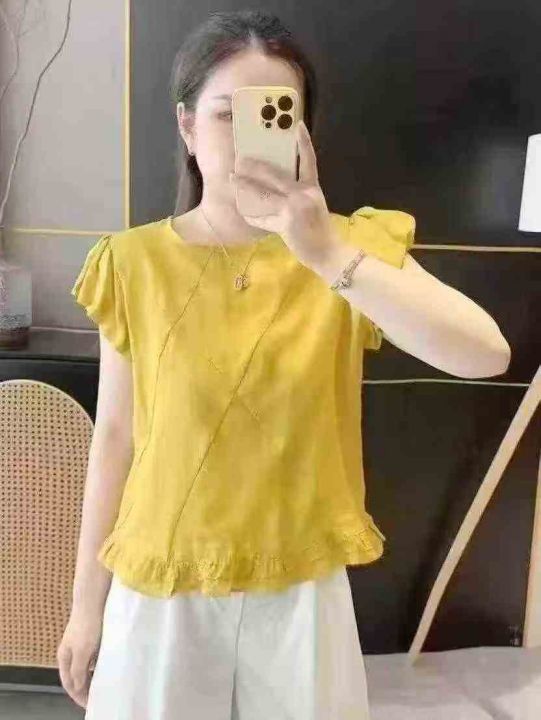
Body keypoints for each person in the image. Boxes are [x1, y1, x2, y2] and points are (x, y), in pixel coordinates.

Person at [57, 9, 511, 720]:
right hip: (160, 584)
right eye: (224, 115)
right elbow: (115, 439)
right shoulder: (133, 262)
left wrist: (324, 253)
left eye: (271, 114)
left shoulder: (350, 249)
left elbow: (485, 354)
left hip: (300, 587)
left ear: (301, 132)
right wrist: (87, 608)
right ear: (186, 126)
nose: (246, 138)